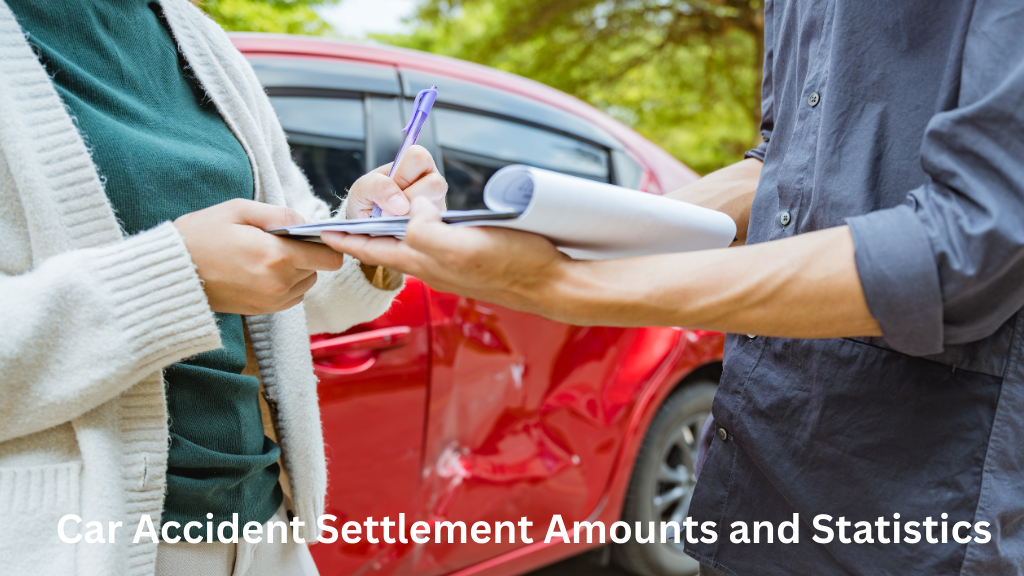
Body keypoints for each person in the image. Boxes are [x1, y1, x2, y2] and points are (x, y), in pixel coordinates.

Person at [325, 1, 1024, 575]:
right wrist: (581, 231)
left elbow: (973, 238)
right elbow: (781, 164)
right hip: (757, 482)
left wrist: (568, 283)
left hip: (920, 515)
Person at [0, 1, 445, 575]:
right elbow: (201, 273)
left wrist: (365, 229)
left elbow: (275, 266)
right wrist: (174, 277)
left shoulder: (192, 34)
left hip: (263, 530)